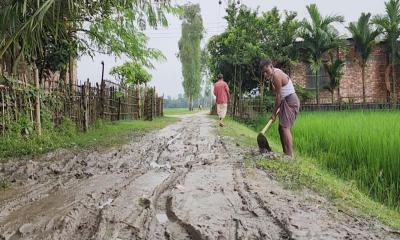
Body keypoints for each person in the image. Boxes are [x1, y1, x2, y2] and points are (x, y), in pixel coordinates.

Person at [260, 60, 300, 158]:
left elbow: (278, 97)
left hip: (290, 101)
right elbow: (275, 93)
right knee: (281, 128)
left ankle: (290, 156)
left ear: (271, 66)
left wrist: (273, 113)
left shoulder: (277, 75)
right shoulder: (273, 76)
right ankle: (285, 153)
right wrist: (270, 83)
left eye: (266, 71)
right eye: (263, 72)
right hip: (285, 101)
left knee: (285, 128)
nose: (265, 74)